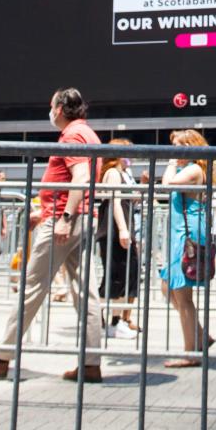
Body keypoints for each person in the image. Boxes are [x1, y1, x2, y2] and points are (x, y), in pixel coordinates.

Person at [0, 88, 104, 382]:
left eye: (51, 106)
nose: (49, 112)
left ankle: (0, 358)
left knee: (31, 289)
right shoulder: (88, 133)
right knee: (86, 294)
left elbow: (81, 177)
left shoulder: (73, 136)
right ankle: (90, 364)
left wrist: (63, 217)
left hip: (65, 223)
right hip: (78, 218)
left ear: (61, 109)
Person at [159, 129, 215, 368]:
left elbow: (166, 184)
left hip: (188, 234)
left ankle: (190, 353)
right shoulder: (187, 169)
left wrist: (171, 163)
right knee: (167, 287)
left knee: (183, 296)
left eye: (180, 146)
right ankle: (200, 335)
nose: (176, 152)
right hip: (181, 232)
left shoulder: (193, 169)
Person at [96, 138, 140, 339]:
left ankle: (115, 320)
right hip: (113, 229)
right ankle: (107, 320)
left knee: (125, 276)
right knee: (115, 276)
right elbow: (114, 201)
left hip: (123, 227)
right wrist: (123, 229)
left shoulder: (124, 174)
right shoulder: (113, 173)